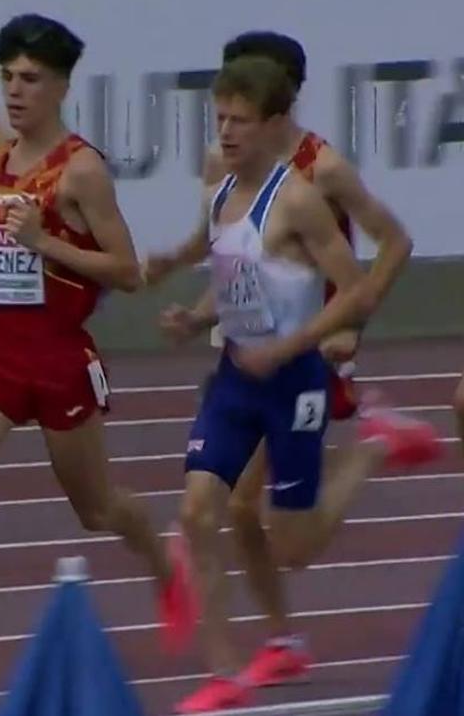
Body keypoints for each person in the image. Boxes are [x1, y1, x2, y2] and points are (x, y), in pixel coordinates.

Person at [0, 14, 196, 716]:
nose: (15, 90)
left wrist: (44, 244)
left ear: (60, 85)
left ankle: (163, 559)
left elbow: (125, 272)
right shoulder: (1, 161)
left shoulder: (83, 170)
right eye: (6, 77)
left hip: (59, 360)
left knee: (97, 510)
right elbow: (18, 254)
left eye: (30, 78)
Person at [155, 54, 438, 714]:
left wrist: (312, 339)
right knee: (202, 512)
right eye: (219, 117)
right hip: (237, 375)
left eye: (239, 120)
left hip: (294, 381)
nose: (224, 132)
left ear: (276, 120)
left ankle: (371, 447)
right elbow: (229, 268)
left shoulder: (309, 192)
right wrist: (195, 315)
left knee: (295, 545)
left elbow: (360, 287)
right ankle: (231, 669)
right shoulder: (221, 187)